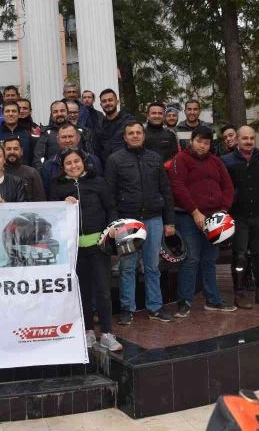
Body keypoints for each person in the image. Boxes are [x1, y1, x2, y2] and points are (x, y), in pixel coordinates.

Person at [49, 148, 121, 352]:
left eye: (76, 161)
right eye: (68, 163)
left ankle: (107, 333)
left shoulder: (98, 182)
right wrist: (62, 204)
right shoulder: (57, 186)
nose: (73, 166)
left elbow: (110, 207)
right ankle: (89, 331)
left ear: (84, 162)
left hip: (98, 246)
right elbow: (52, 214)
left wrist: (113, 226)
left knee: (103, 291)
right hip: (74, 249)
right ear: (63, 168)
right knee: (83, 292)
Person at [105, 122, 175, 324]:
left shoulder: (155, 158)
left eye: (138, 133)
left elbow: (166, 190)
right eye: (130, 133)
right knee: (128, 267)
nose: (135, 136)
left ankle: (156, 307)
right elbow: (110, 195)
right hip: (128, 221)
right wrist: (115, 224)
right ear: (124, 137)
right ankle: (128, 308)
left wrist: (169, 221)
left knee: (152, 266)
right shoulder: (114, 160)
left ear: (143, 136)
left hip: (154, 219)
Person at [168, 125, 237, 316]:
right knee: (191, 259)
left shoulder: (216, 161)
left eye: (206, 143)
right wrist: (195, 212)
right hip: (188, 217)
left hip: (215, 218)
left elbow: (228, 187)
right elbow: (178, 187)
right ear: (191, 141)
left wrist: (223, 212)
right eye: (199, 141)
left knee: (209, 259)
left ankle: (212, 299)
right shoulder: (181, 159)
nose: (202, 146)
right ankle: (185, 301)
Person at [221, 126, 259, 309]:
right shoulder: (226, 161)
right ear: (237, 140)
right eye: (245, 138)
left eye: (252, 138)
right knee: (239, 256)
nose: (248, 141)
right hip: (238, 215)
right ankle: (239, 293)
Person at [39, 123, 102, 197]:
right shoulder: (48, 166)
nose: (67, 140)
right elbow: (48, 195)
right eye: (63, 137)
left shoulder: (92, 160)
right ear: (57, 140)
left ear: (78, 138)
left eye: (70, 136)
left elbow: (101, 188)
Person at [96, 88, 134, 160]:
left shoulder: (128, 122)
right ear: (101, 105)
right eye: (104, 101)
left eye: (110, 100)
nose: (107, 103)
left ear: (117, 102)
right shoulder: (99, 126)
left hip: (126, 164)